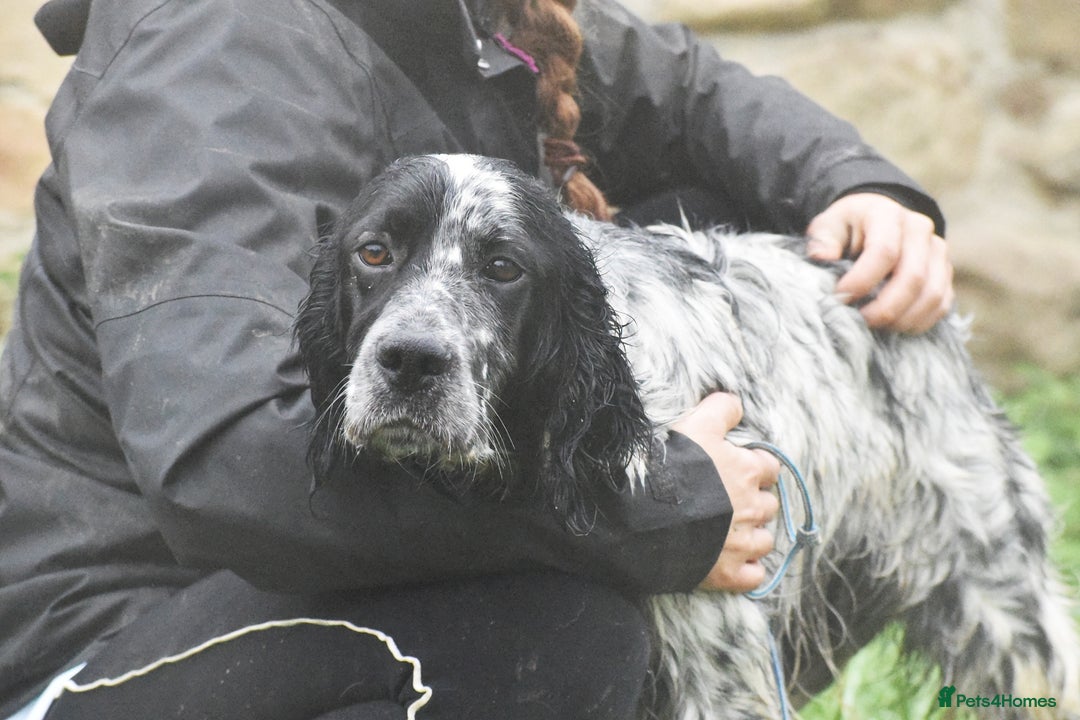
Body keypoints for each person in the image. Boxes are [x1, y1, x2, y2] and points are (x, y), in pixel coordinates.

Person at [0, 0, 952, 717]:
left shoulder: (477, 17)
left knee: (688, 226)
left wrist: (854, 185)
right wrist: (646, 504)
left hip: (295, 592)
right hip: (114, 642)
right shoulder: (210, 44)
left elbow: (684, 89)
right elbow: (228, 465)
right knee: (550, 632)